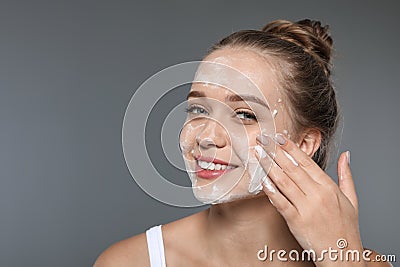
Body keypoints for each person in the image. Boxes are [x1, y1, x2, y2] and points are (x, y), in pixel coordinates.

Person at [94, 19, 392, 266]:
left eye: (244, 115)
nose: (207, 137)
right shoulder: (130, 261)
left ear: (305, 143)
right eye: (198, 109)